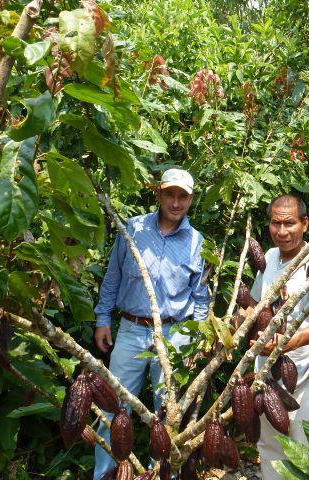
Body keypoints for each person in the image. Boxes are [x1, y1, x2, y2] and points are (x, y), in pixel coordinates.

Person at [92, 168, 210, 479]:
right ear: (158, 194)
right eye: (169, 194)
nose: (175, 202)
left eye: (182, 196)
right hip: (131, 328)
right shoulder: (133, 229)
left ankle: (163, 474)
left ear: (191, 199)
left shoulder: (197, 243)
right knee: (114, 407)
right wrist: (103, 318)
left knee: (168, 412)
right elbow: (113, 277)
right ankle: (105, 473)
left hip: (174, 333)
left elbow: (200, 298)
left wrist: (196, 341)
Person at [247, 194, 309, 480]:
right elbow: (255, 304)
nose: (282, 232)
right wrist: (238, 322)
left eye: (289, 223)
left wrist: (289, 342)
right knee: (271, 447)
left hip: (307, 376)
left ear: (305, 223)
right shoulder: (269, 258)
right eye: (275, 223)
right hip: (267, 378)